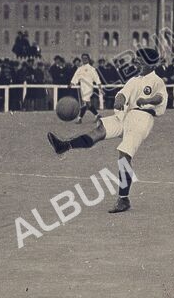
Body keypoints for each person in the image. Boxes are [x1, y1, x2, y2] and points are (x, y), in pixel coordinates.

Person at [46, 48, 167, 214]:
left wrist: (147, 99)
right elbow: (123, 93)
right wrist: (119, 100)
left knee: (124, 154)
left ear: (150, 63)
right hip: (126, 115)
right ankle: (64, 146)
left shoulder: (156, 81)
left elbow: (160, 97)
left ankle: (123, 199)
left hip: (142, 119)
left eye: (140, 59)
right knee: (100, 130)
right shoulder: (134, 80)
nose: (136, 61)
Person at [70, 53, 102, 123]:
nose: (84, 60)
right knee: (87, 104)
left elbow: (96, 78)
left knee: (85, 103)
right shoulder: (80, 69)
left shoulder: (92, 69)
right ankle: (97, 115)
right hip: (82, 88)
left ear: (88, 59)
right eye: (83, 58)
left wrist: (100, 87)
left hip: (89, 88)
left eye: (86, 58)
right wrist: (72, 83)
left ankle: (79, 118)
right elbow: (76, 76)